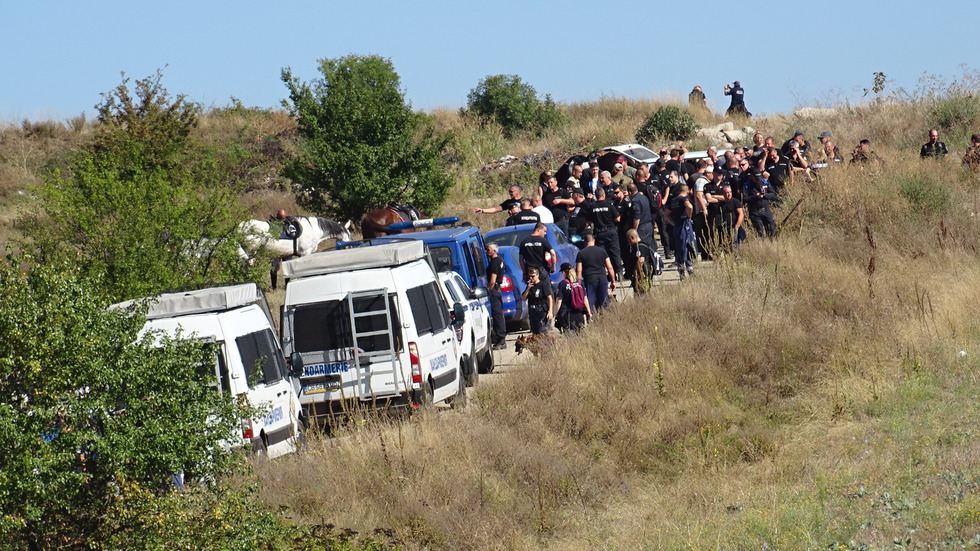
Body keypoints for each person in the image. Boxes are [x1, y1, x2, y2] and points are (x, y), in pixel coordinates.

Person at [576, 233, 616, 311]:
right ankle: (604, 319)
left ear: (584, 242)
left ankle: (593, 319)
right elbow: (610, 267)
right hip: (602, 279)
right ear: (594, 241)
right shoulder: (602, 251)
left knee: (591, 303)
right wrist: (613, 281)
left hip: (589, 279)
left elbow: (578, 270)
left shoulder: (581, 253)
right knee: (604, 302)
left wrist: (579, 283)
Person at [588, 187, 622, 279]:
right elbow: (617, 219)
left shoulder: (592, 207)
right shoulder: (609, 205)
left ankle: (604, 274)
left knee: (601, 254)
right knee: (614, 252)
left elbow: (589, 221)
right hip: (610, 231)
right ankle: (618, 273)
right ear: (603, 195)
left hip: (599, 233)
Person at [665, 184, 695, 278]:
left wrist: (672, 223)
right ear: (686, 191)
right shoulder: (683, 199)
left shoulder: (673, 201)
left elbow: (665, 214)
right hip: (684, 224)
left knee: (679, 247)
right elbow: (690, 207)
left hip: (676, 226)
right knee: (687, 246)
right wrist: (689, 217)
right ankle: (689, 268)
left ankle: (681, 270)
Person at [554, 262, 590, 334]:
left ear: (564, 272)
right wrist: (589, 311)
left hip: (568, 314)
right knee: (580, 334)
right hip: (579, 314)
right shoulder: (580, 282)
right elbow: (585, 299)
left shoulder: (563, 284)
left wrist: (556, 313)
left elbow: (559, 300)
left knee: (569, 335)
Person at [485, 243, 507, 349]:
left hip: (494, 289)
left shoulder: (494, 263)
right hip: (498, 289)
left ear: (494, 251)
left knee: (497, 314)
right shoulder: (501, 260)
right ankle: (501, 339)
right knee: (499, 313)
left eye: (488, 249)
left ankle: (501, 339)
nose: (486, 251)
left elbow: (493, 280)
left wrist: (488, 290)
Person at [744, 168, 777, 238]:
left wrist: (765, 195)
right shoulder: (747, 184)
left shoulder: (765, 182)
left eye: (759, 178)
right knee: (759, 232)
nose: (758, 180)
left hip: (766, 210)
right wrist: (755, 197)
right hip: (755, 212)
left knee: (771, 229)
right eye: (756, 179)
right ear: (752, 176)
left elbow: (773, 194)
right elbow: (745, 198)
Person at [625, 228, 659, 293]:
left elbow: (640, 260)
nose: (628, 242)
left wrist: (635, 273)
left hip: (642, 276)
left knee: (642, 294)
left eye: (628, 239)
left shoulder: (640, 247)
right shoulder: (641, 245)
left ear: (632, 237)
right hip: (640, 276)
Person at [521, 267, 552, 335]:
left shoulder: (543, 285)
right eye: (530, 276)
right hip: (532, 311)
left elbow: (549, 298)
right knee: (534, 332)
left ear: (537, 275)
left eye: (533, 276)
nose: (531, 278)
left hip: (541, 311)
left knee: (542, 331)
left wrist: (550, 312)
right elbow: (523, 298)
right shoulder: (529, 286)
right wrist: (528, 288)